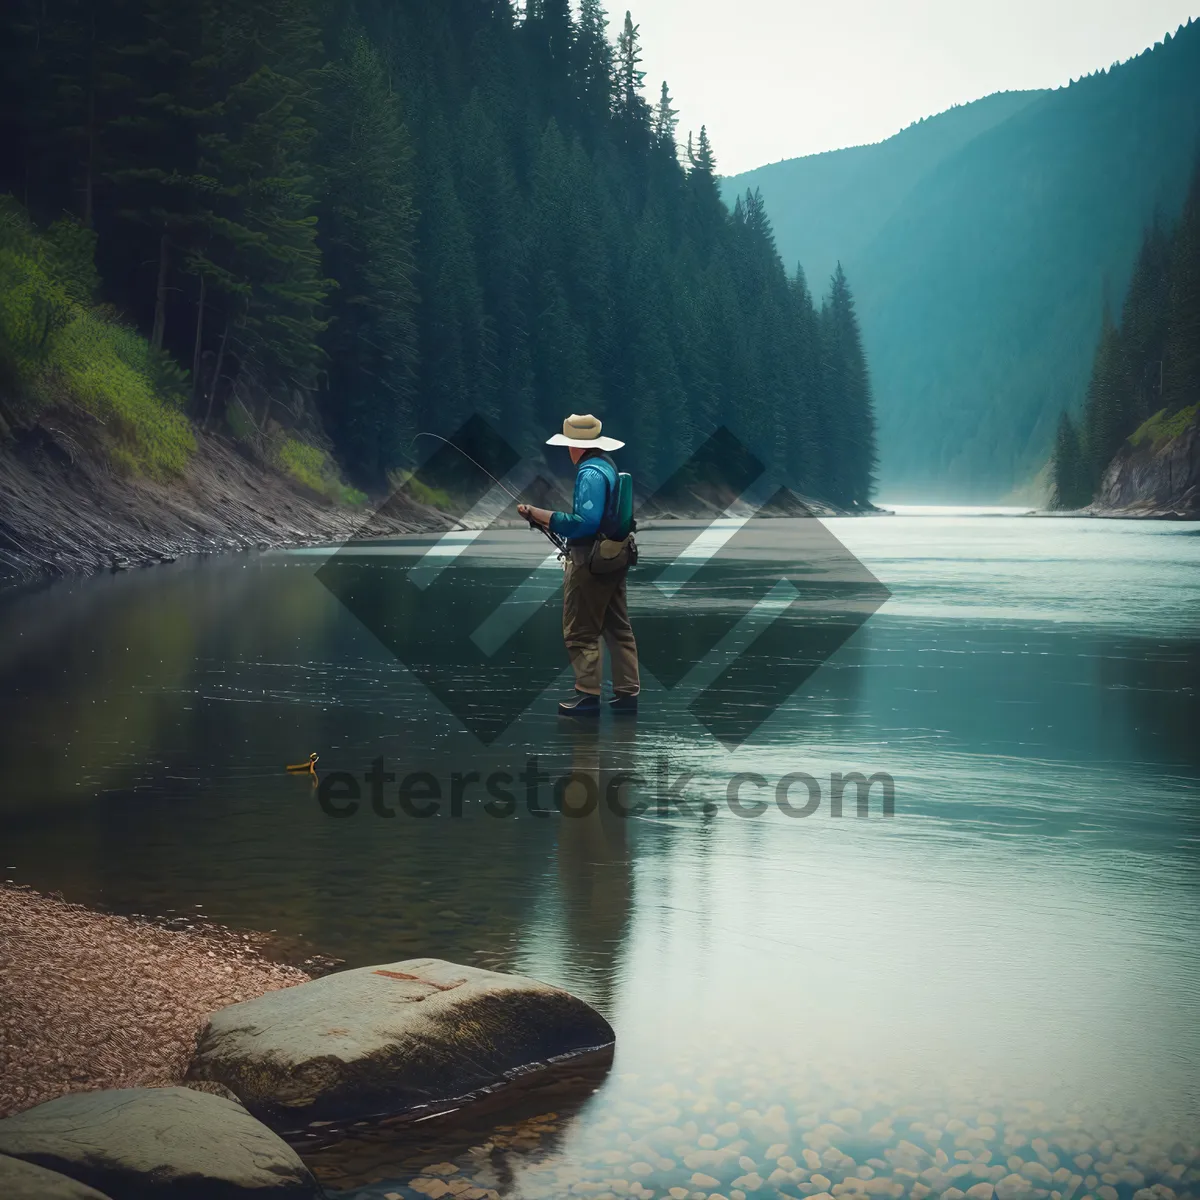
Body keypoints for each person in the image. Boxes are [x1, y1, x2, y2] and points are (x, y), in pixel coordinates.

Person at [518, 414, 641, 716]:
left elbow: (585, 524)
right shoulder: (607, 466)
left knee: (580, 631)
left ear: (575, 446)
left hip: (592, 561)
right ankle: (627, 695)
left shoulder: (590, 473)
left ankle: (587, 696)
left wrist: (539, 513)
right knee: (617, 628)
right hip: (616, 555)